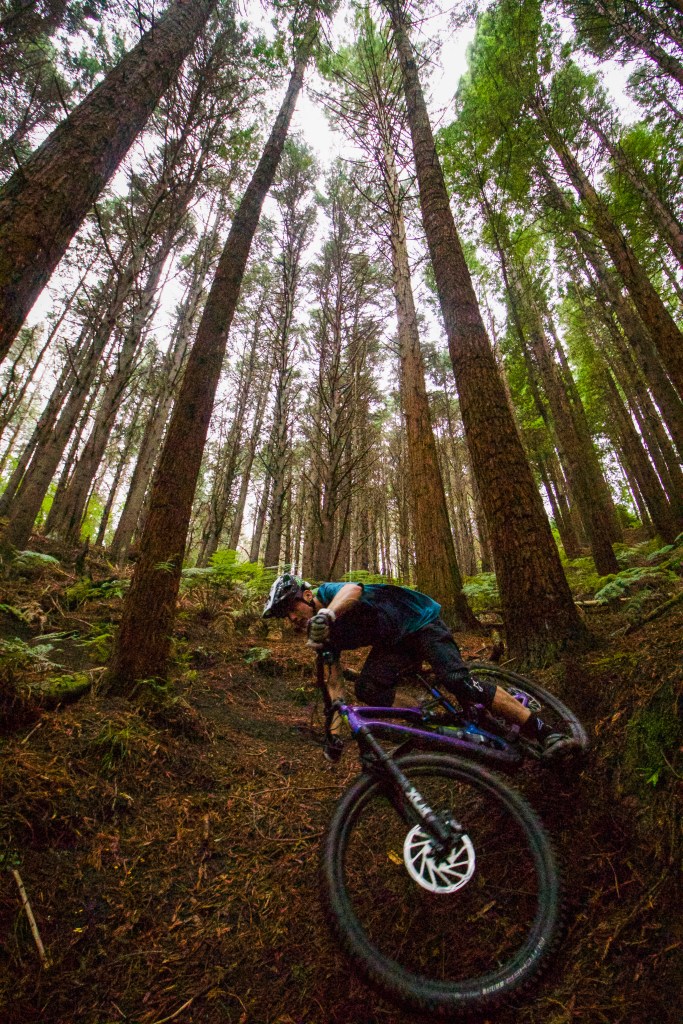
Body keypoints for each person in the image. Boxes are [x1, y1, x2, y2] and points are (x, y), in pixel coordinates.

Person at [263, 573, 579, 763]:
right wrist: (333, 734)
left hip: (420, 621)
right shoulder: (322, 638)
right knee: (368, 689)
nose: (291, 618)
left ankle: (546, 732)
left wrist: (328, 614)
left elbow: (353, 590)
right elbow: (334, 688)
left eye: (292, 607)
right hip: (394, 643)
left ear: (307, 595)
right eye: (284, 615)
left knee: (456, 681)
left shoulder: (328, 595)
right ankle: (423, 712)